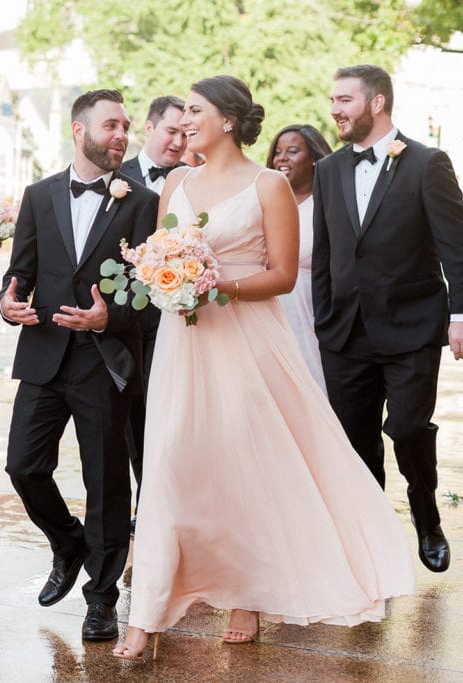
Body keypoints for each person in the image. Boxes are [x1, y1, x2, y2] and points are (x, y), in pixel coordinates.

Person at [114, 75, 415, 661]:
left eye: (194, 112)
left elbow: (281, 274)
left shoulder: (268, 183)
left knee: (242, 467)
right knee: (171, 462)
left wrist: (212, 282)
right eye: (180, 115)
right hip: (183, 346)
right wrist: (165, 279)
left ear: (226, 120)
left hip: (245, 343)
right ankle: (145, 616)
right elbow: (155, 257)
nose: (183, 123)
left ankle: (246, 593)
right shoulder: (176, 180)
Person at [0, 89, 158, 641]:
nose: (122, 135)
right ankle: (66, 541)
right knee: (22, 466)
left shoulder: (140, 201)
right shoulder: (39, 195)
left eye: (126, 126)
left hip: (104, 361)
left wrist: (106, 317)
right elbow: (18, 270)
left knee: (107, 483)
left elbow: (148, 287)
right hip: (43, 354)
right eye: (111, 125)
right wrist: (7, 302)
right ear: (79, 129)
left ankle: (102, 597)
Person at [313, 64, 463, 574]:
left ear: (376, 103)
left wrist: (459, 315)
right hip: (345, 332)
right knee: (354, 441)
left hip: (412, 327)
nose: (335, 109)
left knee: (406, 427)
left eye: (344, 100)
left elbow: (454, 247)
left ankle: (426, 515)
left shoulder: (427, 163)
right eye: (333, 100)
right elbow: (329, 252)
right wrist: (323, 319)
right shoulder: (328, 170)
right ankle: (371, 535)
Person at [119, 94, 187, 533]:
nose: (179, 141)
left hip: (178, 319)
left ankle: (156, 509)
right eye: (171, 131)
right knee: (131, 421)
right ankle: (142, 506)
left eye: (186, 133)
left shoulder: (194, 180)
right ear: (149, 127)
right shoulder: (115, 176)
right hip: (126, 321)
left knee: (169, 421)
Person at [266, 124, 332, 390]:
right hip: (265, 319)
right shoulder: (262, 204)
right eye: (278, 152)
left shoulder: (326, 206)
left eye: (292, 151)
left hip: (311, 321)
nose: (282, 158)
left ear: (315, 158)